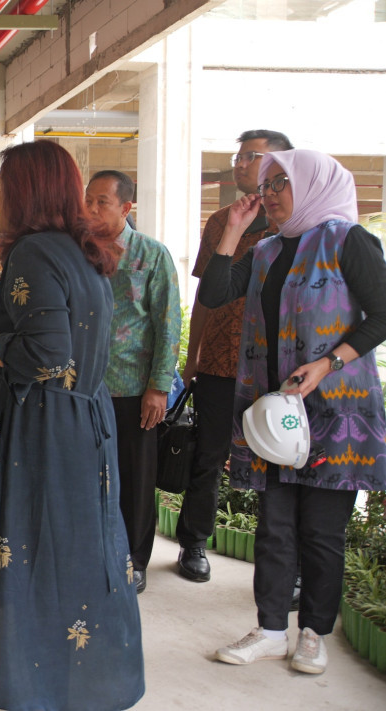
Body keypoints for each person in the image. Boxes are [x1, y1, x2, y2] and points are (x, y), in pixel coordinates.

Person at [0, 139, 144, 711]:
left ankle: (33, 690)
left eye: (2, 188)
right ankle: (65, 689)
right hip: (82, 426)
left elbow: (47, 356)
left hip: (42, 433)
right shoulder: (81, 251)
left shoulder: (33, 252)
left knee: (31, 563)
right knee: (72, 563)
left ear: (26, 192)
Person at [200, 149, 386, 674]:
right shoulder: (265, 249)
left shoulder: (347, 240)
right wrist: (234, 230)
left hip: (335, 410)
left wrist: (328, 363)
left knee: (322, 531)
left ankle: (314, 634)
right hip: (276, 412)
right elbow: (214, 294)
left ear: (312, 184)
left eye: (280, 182)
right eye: (266, 185)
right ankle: (270, 630)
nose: (270, 193)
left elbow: (382, 313)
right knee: (275, 526)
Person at [179, 129, 292, 583]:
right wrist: (192, 356)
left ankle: (283, 561)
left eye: (252, 156)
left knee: (279, 463)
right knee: (208, 455)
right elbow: (206, 295)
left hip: (276, 368)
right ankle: (193, 543)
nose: (240, 163)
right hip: (221, 360)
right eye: (239, 156)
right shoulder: (220, 222)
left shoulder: (296, 222)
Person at [85, 170, 181, 593]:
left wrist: (158, 388)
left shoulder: (151, 255)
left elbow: (168, 324)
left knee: (136, 478)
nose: (91, 209)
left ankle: (134, 560)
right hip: (84, 385)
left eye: (101, 202)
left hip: (134, 388)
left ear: (126, 207)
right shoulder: (79, 252)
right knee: (88, 473)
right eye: (88, 200)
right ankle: (93, 553)